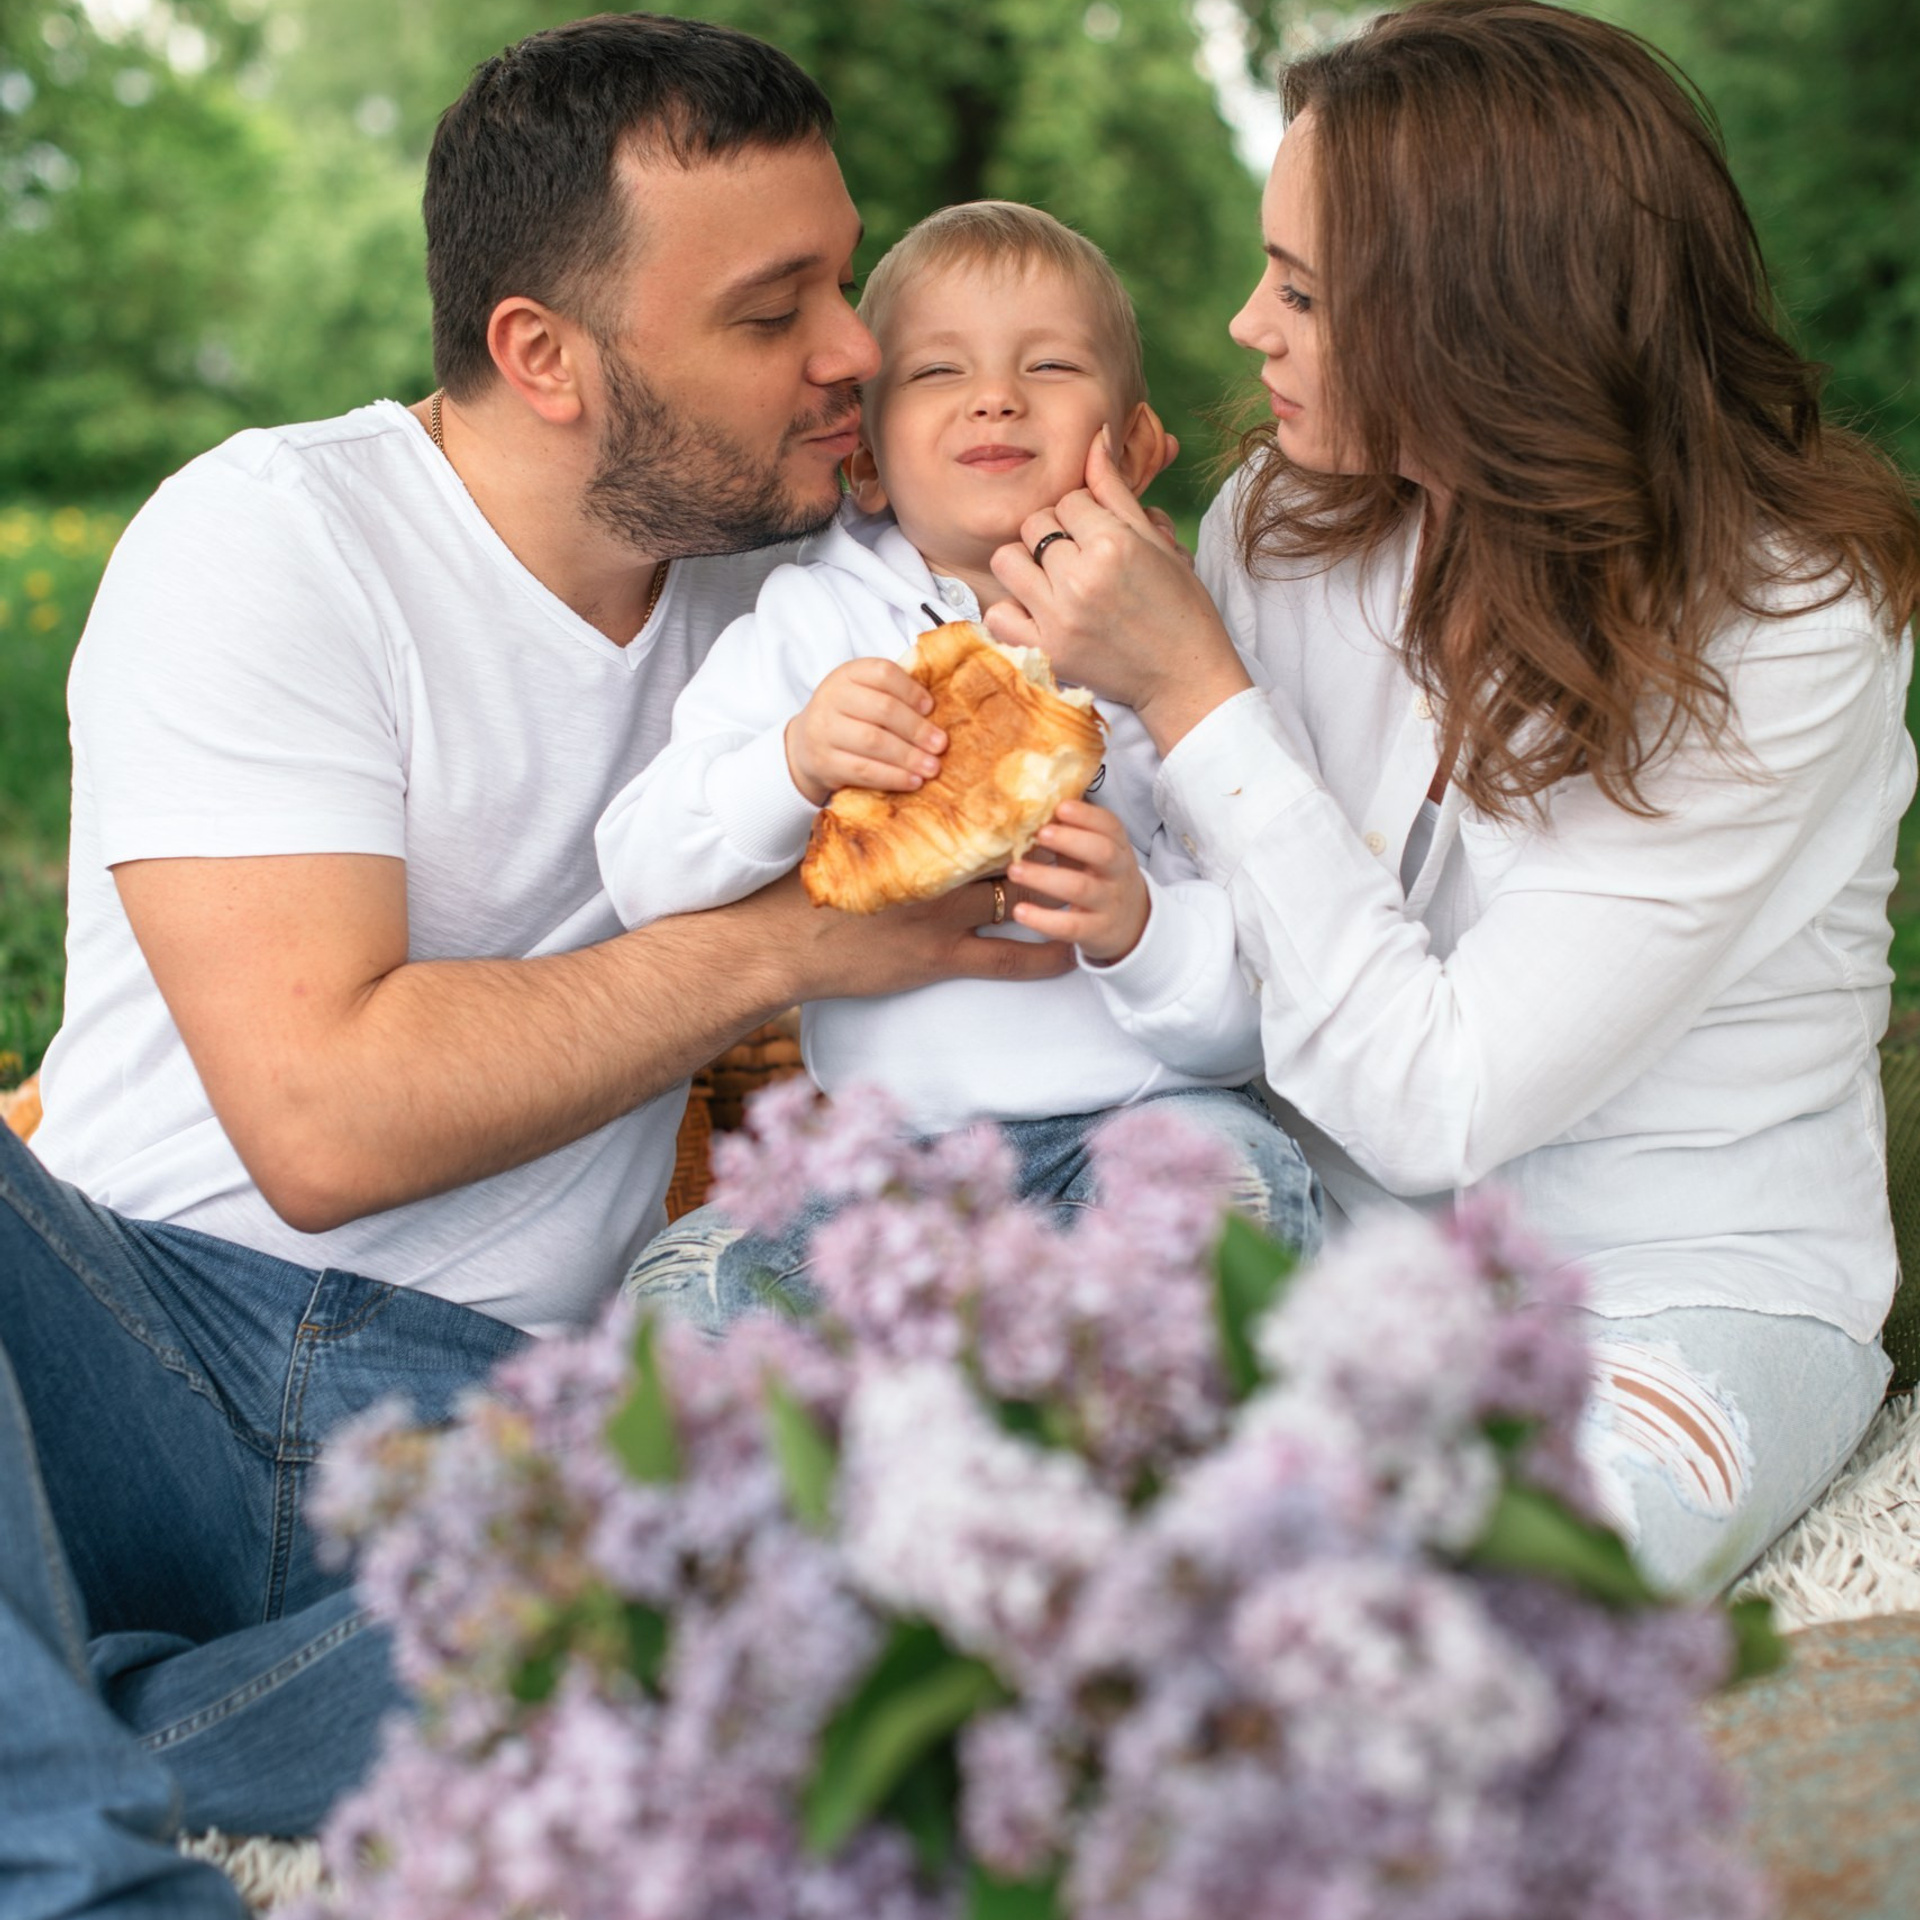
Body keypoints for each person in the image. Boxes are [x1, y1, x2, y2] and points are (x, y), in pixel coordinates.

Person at [0, 17, 1072, 1915]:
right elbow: (323, 1116)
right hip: (146, 1370)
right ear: (541, 356)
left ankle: (141, 1729)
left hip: (499, 1441)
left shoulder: (809, 589)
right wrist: (792, 942)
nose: (853, 351)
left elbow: (1120, 527)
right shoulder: (278, 543)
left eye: (843, 277)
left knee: (858, 1593)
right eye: (773, 312)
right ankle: (85, 1879)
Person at [986, 0, 1920, 1597]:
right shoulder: (1289, 523)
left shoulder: (1786, 620)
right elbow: (1241, 961)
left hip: (1670, 1297)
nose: (1240, 327)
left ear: (1478, 324)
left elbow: (1443, 1100)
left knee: (1460, 1611)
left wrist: (1199, 699)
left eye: (1299, 290)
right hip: (1329, 1264)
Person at [598, 202, 1320, 1328]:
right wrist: (789, 765)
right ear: (870, 465)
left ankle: (1106, 1457)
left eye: (1049, 363)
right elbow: (643, 872)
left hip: (1137, 1133)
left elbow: (1265, 1011)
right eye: (938, 371)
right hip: (882, 1174)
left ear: (1131, 449)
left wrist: (1139, 926)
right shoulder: (812, 631)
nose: (997, 395)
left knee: (1248, 1198)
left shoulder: (1179, 652)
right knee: (678, 1298)